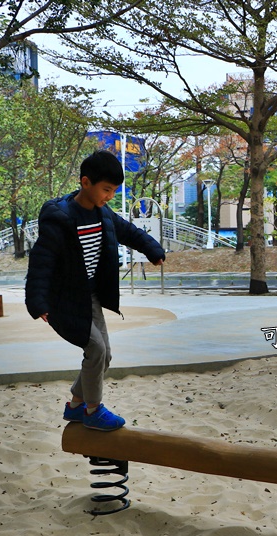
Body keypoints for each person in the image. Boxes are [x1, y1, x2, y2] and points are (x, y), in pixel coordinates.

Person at [25, 150, 165, 431]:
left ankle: (76, 405)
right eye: (106, 189)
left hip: (89, 297)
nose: (110, 196)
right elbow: (42, 260)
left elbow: (128, 231)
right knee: (96, 348)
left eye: (113, 191)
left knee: (105, 355)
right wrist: (37, 301)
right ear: (85, 182)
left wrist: (152, 248)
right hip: (63, 299)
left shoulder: (104, 214)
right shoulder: (60, 218)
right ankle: (93, 410)